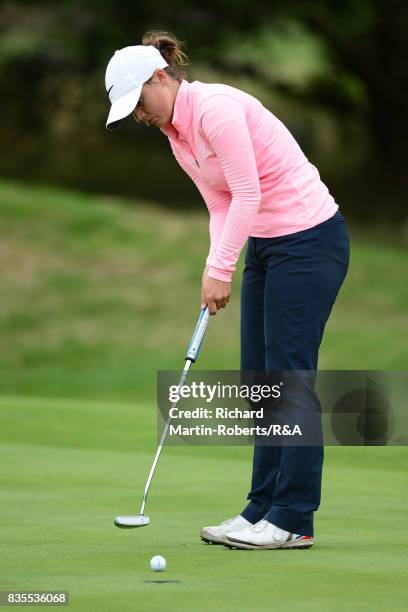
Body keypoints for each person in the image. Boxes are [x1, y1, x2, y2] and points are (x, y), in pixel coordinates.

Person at [105, 31, 350, 550]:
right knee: (257, 381)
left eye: (139, 102)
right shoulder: (178, 136)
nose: (139, 116)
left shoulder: (214, 108)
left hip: (308, 241)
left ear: (159, 78)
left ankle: (294, 517)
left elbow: (247, 191)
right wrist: (217, 268)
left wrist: (221, 269)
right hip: (266, 245)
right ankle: (261, 506)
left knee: (287, 377)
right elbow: (221, 206)